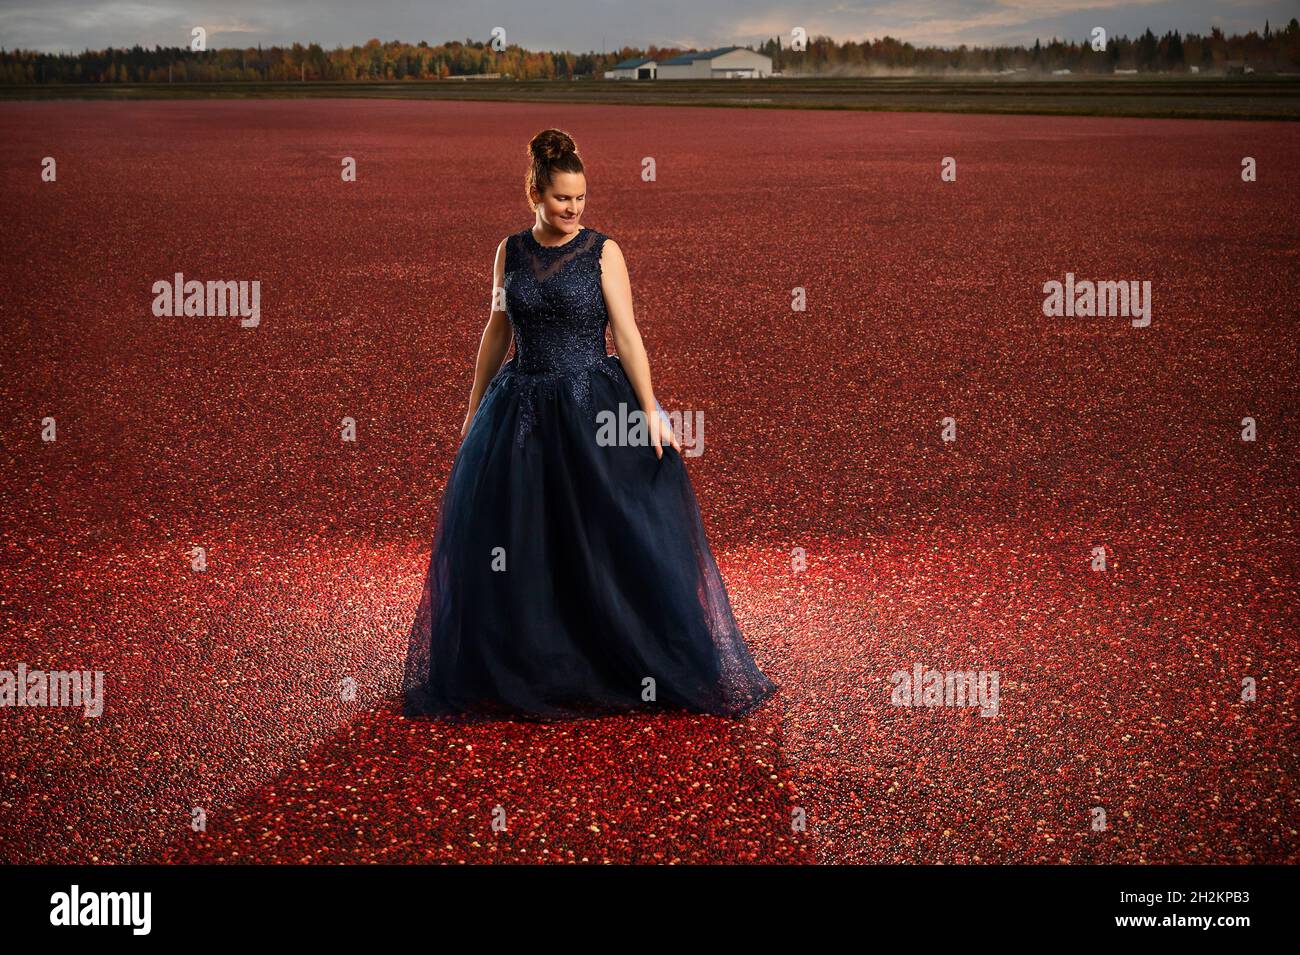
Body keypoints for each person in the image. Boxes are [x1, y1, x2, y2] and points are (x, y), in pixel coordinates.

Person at [401, 127, 778, 722]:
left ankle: (619, 657)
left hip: (590, 409)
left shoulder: (604, 251)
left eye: (580, 199)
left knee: (606, 533)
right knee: (522, 539)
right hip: (520, 411)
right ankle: (529, 663)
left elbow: (626, 336)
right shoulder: (509, 252)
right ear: (535, 193)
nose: (573, 209)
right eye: (561, 199)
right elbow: (497, 331)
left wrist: (652, 412)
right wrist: (474, 407)